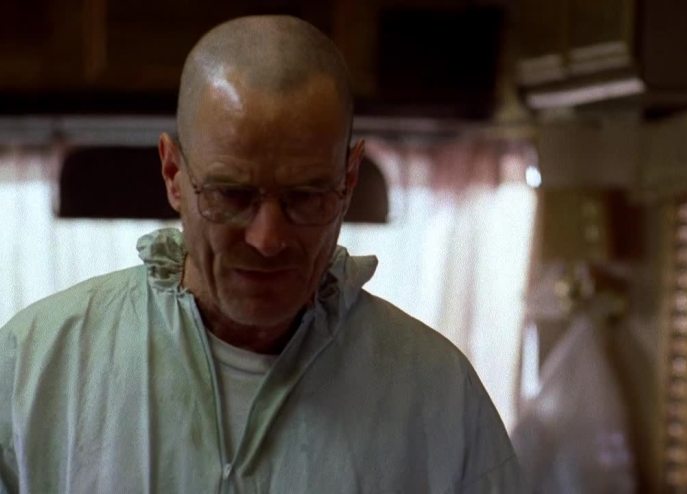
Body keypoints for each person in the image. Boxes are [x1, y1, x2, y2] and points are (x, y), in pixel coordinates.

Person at [0, 16, 523, 493]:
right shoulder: (34, 369)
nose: (268, 239)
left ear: (349, 179)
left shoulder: (440, 398)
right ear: (173, 174)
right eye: (231, 195)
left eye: (306, 196)